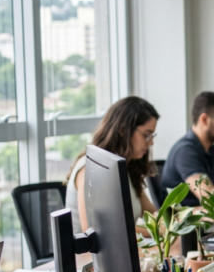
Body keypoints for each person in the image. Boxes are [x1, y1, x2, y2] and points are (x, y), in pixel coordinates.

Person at [66, 96, 160, 235]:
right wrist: (158, 230)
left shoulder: (126, 167)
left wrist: (166, 223)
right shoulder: (90, 169)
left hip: (124, 253)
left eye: (152, 136)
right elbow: (95, 232)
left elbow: (152, 213)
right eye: (146, 135)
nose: (150, 142)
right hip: (88, 256)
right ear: (123, 130)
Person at [162, 91, 214, 206]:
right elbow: (207, 195)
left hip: (207, 218)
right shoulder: (185, 152)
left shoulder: (211, 149)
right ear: (204, 120)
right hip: (187, 221)